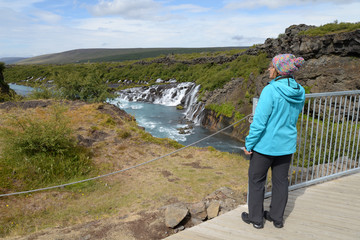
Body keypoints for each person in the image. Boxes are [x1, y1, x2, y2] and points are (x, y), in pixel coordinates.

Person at [241, 54, 306, 229]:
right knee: (281, 182)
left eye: (271, 66)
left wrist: (249, 143)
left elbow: (259, 122)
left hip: (265, 146)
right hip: (286, 145)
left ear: (278, 70)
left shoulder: (270, 90)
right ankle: (277, 218)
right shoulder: (300, 91)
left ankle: (256, 219)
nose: (269, 69)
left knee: (256, 181)